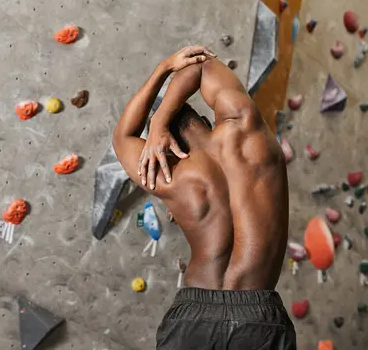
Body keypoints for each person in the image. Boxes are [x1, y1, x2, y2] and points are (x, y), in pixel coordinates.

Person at [112, 46, 296, 349]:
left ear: (166, 147)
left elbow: (122, 137)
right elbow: (203, 64)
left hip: (192, 318)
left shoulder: (170, 176)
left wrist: (158, 87)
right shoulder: (247, 131)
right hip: (258, 321)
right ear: (204, 118)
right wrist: (162, 100)